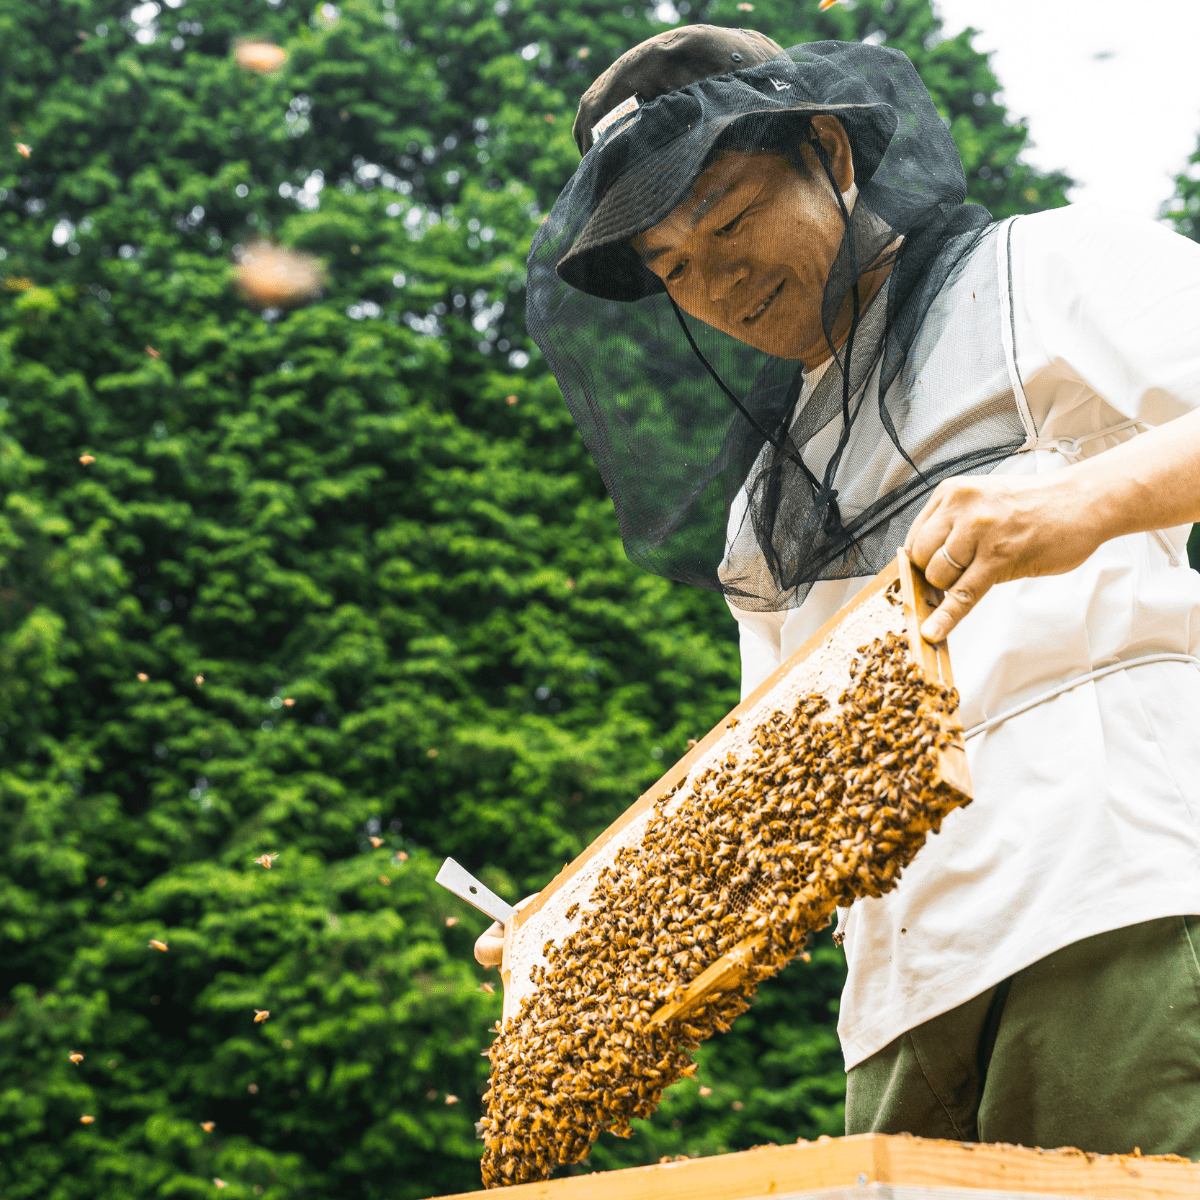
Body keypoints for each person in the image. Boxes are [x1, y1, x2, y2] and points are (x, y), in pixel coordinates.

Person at [513, 24, 1200, 1157]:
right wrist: (577, 933)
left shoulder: (1042, 270)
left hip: (1110, 893)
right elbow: (767, 786)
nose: (718, 282)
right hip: (898, 1004)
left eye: (729, 219)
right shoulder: (762, 508)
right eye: (674, 268)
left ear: (830, 151)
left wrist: (1074, 506)